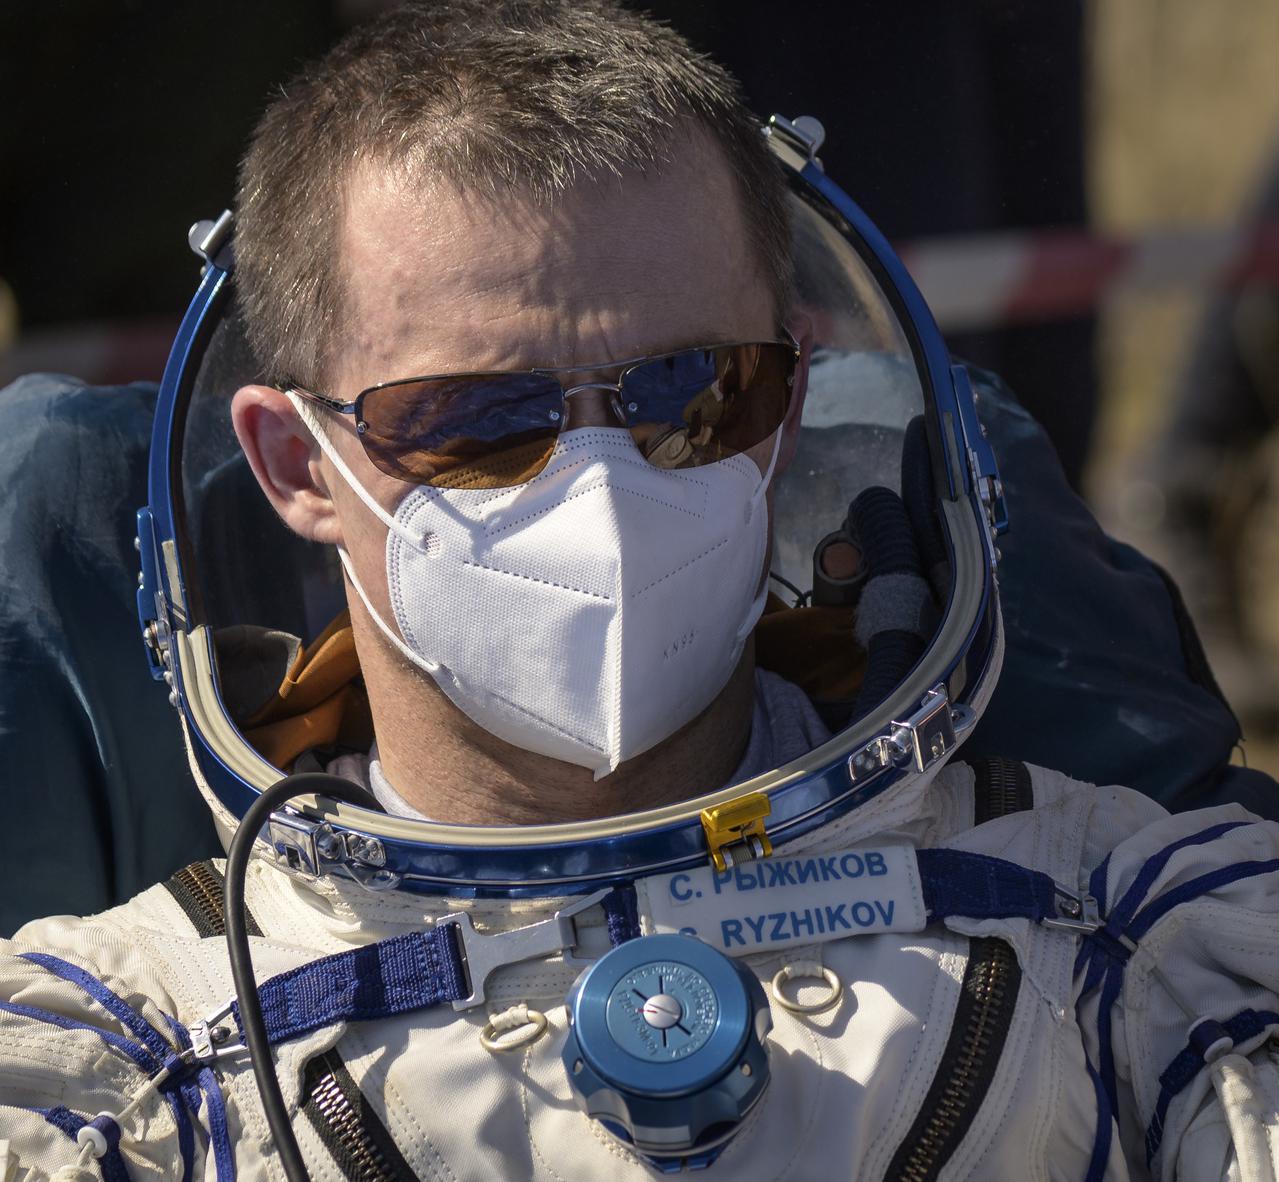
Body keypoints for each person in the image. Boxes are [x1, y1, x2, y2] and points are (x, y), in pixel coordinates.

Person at [1, 3, 1277, 1179]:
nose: (599, 485)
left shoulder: (1144, 943)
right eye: (477, 418)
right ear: (301, 464)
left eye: (693, 394)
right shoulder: (119, 1070)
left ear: (789, 406)